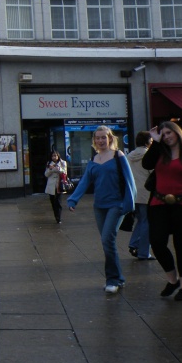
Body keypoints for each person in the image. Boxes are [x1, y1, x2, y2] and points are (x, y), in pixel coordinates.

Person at [67, 126, 136, 294]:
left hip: (116, 205)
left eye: (103, 137)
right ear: (94, 140)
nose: (100, 140)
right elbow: (84, 182)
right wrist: (73, 199)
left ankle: (112, 280)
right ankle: (118, 277)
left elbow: (130, 181)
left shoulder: (118, 156)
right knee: (108, 243)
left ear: (110, 139)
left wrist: (129, 204)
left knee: (107, 240)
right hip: (99, 207)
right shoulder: (94, 160)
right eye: (97, 138)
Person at [143, 122, 182, 301]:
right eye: (163, 134)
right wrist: (156, 142)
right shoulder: (160, 151)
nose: (166, 136)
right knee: (157, 242)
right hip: (159, 203)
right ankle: (172, 279)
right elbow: (146, 163)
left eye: (169, 133)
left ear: (177, 133)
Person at [126, 131, 154, 260]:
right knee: (147, 222)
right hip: (146, 193)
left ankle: (134, 243)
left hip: (133, 193)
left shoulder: (129, 156)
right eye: (151, 140)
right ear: (147, 142)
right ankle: (143, 252)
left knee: (141, 220)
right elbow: (153, 173)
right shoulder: (148, 155)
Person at [44, 149, 67, 224]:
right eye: (53, 156)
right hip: (51, 185)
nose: (54, 157)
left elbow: (64, 172)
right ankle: (55, 214)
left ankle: (58, 218)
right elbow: (46, 174)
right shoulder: (49, 163)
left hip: (59, 184)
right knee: (52, 201)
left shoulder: (63, 162)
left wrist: (58, 169)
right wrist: (51, 169)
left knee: (58, 201)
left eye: (55, 155)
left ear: (58, 156)